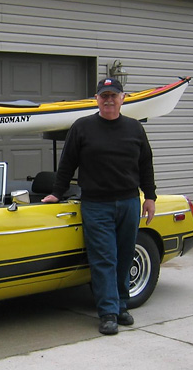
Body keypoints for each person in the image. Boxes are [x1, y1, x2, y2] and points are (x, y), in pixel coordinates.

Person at [41, 77, 156, 335]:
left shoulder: (135, 128)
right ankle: (108, 313)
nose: (108, 100)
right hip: (96, 205)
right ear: (97, 99)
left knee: (125, 257)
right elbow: (67, 163)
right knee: (105, 258)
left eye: (113, 95)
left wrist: (150, 197)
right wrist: (56, 193)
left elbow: (145, 164)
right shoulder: (82, 127)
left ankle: (121, 305)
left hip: (129, 203)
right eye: (103, 95)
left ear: (122, 98)